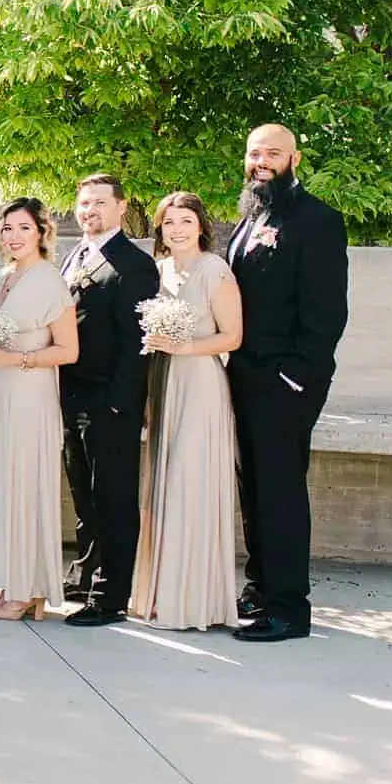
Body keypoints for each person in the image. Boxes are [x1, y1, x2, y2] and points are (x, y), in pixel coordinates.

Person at [226, 123, 349, 642]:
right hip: (243, 378)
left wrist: (295, 378)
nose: (262, 161)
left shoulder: (317, 220)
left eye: (273, 154)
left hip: (283, 384)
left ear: (294, 158)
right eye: (255, 153)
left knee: (279, 494)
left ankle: (288, 609)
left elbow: (327, 313)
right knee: (253, 490)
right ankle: (259, 588)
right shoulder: (249, 216)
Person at [131, 193, 243, 631]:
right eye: (169, 222)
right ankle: (161, 593)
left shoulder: (215, 271)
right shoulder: (158, 272)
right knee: (161, 487)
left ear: (201, 227)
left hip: (200, 386)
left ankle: (193, 601)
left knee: (188, 486)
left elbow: (233, 336)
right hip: (165, 385)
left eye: (186, 221)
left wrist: (185, 347)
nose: (177, 229)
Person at [58, 173, 159, 627]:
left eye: (99, 203)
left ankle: (110, 594)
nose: (89, 211)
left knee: (113, 497)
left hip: (108, 401)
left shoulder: (134, 265)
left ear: (121, 207)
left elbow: (137, 342)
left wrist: (119, 403)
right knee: (83, 493)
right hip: (70, 394)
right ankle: (85, 572)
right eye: (83, 203)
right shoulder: (73, 255)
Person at [0, 199, 78, 621]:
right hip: (0, 394)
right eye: (7, 228)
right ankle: (11, 583)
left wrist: (16, 360)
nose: (13, 236)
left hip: (31, 396)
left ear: (42, 232)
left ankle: (28, 587)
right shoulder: (5, 278)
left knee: (25, 485)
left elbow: (69, 350)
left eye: (23, 228)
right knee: (4, 485)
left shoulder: (50, 281)